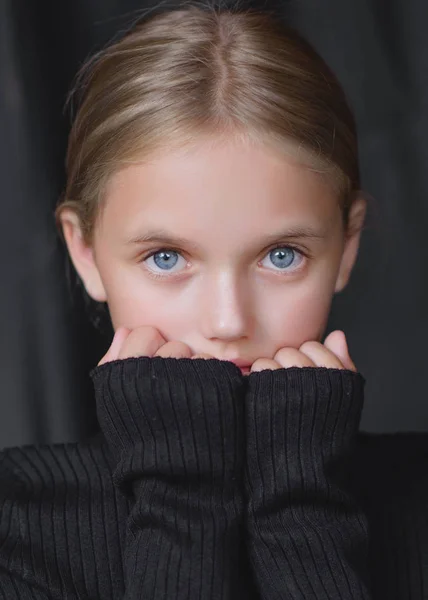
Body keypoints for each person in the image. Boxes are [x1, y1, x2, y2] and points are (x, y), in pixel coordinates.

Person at [1, 2, 416, 598]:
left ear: (346, 246)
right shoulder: (17, 521)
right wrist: (181, 488)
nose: (228, 322)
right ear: (86, 251)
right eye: (166, 258)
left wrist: (302, 505)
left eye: (281, 255)